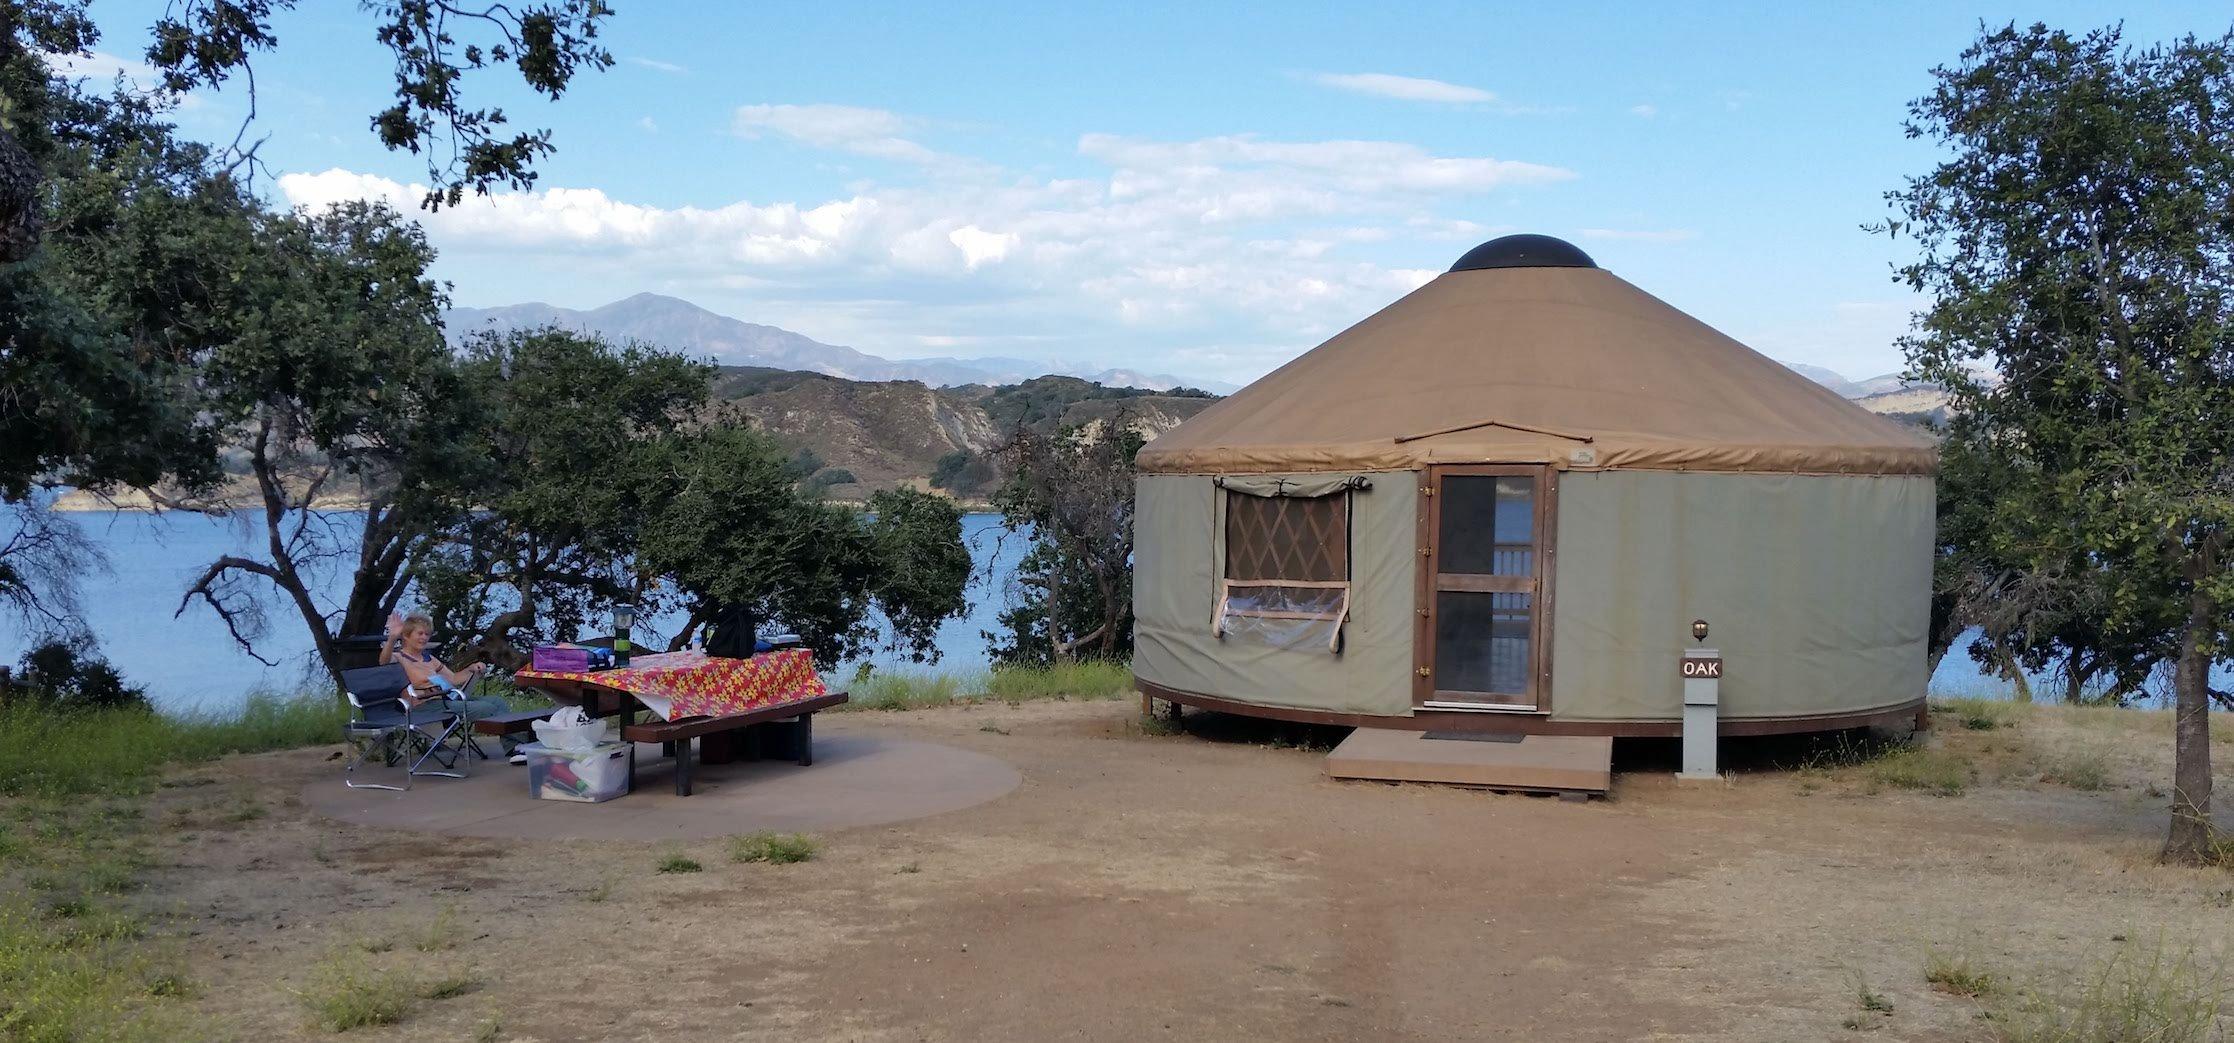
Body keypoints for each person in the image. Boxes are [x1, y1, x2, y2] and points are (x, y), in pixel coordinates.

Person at [382, 613, 524, 765]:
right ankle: (516, 747)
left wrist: (472, 669)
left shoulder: (429, 659)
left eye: (427, 634)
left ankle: (516, 746)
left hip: (446, 698)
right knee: (486, 708)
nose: (424, 637)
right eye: (420, 633)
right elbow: (383, 661)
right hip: (424, 705)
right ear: (406, 636)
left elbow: (453, 678)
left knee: (498, 701)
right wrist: (392, 638)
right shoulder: (399, 657)